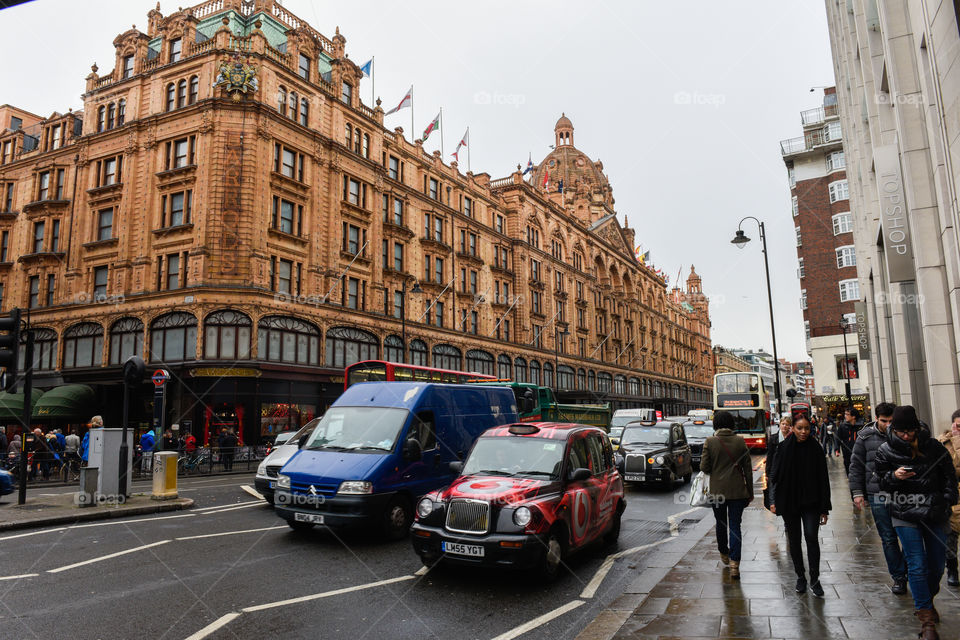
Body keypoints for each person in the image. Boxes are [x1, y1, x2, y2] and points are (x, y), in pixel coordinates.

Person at [875, 406, 958, 640]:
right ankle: (926, 620)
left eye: (909, 431)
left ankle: (927, 601)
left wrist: (947, 500)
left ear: (916, 428)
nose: (905, 436)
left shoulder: (933, 447)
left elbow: (949, 476)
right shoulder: (885, 450)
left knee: (936, 565)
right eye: (901, 431)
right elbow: (881, 482)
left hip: (935, 512)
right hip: (903, 512)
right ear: (894, 429)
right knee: (917, 564)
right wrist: (894, 476)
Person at [848, 401, 908, 594]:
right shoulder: (865, 437)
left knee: (908, 535)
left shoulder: (904, 434)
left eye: (891, 421)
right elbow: (855, 466)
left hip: (902, 492)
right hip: (877, 493)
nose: (888, 425)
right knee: (888, 538)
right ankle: (899, 577)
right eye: (884, 421)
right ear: (876, 418)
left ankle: (907, 570)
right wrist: (858, 493)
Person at [770, 416, 831, 597]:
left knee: (811, 537)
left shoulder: (816, 449)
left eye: (806, 428)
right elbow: (774, 476)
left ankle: (815, 578)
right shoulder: (782, 448)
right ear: (793, 429)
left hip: (811, 502)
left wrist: (824, 508)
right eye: (799, 428)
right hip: (790, 502)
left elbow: (823, 479)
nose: (803, 432)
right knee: (794, 541)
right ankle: (800, 577)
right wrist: (773, 501)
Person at [699, 410, 754, 580]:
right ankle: (735, 565)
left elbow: (704, 467)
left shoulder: (710, 441)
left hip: (717, 492)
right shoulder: (740, 441)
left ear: (715, 424)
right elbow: (748, 470)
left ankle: (724, 553)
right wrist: (749, 492)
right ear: (731, 424)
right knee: (735, 526)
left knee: (721, 523)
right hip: (738, 492)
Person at [937, 409, 960, 587]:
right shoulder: (942, 443)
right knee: (950, 537)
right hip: (952, 496)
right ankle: (952, 569)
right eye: (957, 424)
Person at [764, 416, 792, 510]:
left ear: (789, 426)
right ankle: (773, 505)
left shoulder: (792, 438)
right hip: (775, 468)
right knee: (773, 487)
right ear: (779, 425)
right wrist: (767, 472)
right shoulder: (773, 438)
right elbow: (770, 456)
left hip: (788, 468)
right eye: (783, 424)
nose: (784, 426)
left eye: (787, 424)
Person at [837, 408, 860, 474]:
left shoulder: (861, 427)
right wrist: (837, 449)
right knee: (849, 471)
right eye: (845, 414)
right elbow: (838, 438)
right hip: (847, 453)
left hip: (859, 454)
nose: (845, 416)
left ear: (853, 416)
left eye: (847, 414)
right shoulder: (842, 426)